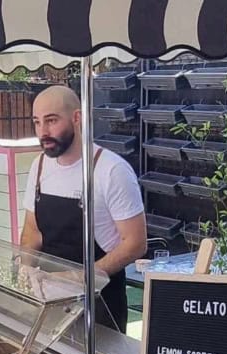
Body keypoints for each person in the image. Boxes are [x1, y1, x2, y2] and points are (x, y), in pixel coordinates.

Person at [20, 86, 147, 332]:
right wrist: (25, 269)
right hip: (50, 303)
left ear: (76, 118)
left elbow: (135, 243)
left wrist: (81, 278)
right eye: (37, 122)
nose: (42, 132)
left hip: (100, 307)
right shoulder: (39, 166)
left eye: (51, 121)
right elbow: (32, 232)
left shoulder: (111, 170)